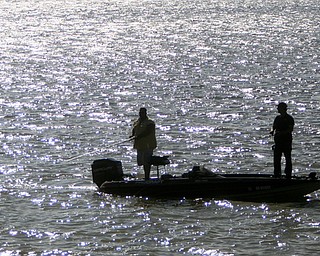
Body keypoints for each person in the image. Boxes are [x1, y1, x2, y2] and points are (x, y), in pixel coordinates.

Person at [130, 108, 157, 180]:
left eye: (143, 112)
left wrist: (139, 136)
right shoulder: (136, 122)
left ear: (145, 113)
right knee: (141, 162)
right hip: (139, 146)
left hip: (148, 145)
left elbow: (147, 132)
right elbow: (134, 130)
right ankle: (145, 176)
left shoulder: (150, 122)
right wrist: (132, 136)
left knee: (147, 162)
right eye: (140, 112)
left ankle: (147, 177)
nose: (141, 114)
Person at [270, 102, 295, 179]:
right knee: (276, 159)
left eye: (279, 107)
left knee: (287, 158)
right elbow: (273, 127)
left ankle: (288, 174)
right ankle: (277, 174)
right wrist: (272, 131)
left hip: (286, 141)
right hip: (278, 141)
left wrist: (282, 133)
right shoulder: (277, 118)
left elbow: (290, 129)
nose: (277, 109)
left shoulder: (289, 118)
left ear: (283, 108)